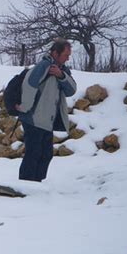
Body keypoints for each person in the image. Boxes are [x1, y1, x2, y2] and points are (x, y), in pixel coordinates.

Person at [15, 38, 77, 182]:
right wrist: (24, 108)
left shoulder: (62, 71)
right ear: (55, 53)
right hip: (33, 119)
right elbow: (30, 86)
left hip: (46, 121)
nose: (68, 58)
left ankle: (38, 183)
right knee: (33, 153)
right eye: (65, 55)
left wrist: (61, 76)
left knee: (46, 154)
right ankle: (26, 184)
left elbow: (71, 90)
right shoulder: (43, 66)